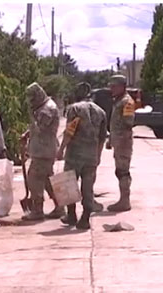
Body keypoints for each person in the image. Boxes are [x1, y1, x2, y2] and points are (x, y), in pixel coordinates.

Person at [56, 82, 107, 230]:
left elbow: (70, 131)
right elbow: (103, 137)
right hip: (91, 155)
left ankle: (71, 215)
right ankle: (85, 217)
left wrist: (61, 150)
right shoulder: (101, 111)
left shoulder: (74, 109)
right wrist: (98, 155)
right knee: (88, 186)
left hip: (74, 154)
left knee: (68, 184)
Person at [19, 82, 61, 221]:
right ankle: (59, 206)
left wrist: (31, 116)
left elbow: (40, 128)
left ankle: (37, 210)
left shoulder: (47, 109)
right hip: (43, 149)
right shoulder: (44, 107)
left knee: (35, 178)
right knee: (48, 180)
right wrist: (27, 134)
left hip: (44, 150)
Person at [106, 75, 135, 212]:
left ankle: (125, 201)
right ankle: (123, 199)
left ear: (122, 86)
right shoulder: (118, 101)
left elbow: (127, 123)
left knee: (123, 172)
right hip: (119, 142)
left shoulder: (126, 102)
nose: (111, 89)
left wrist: (119, 140)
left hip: (123, 142)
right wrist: (111, 139)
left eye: (114, 86)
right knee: (120, 171)